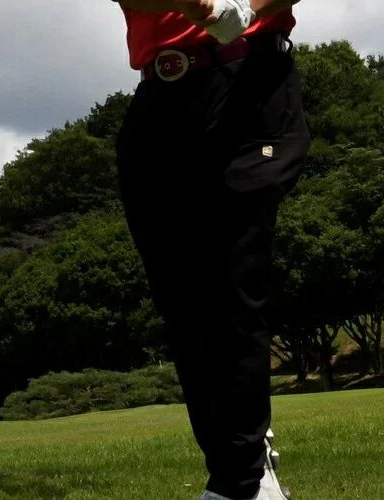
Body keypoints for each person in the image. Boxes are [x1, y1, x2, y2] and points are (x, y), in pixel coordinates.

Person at [112, 0, 311, 498]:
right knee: (184, 307)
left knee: (231, 288)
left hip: (248, 84)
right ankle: (243, 471)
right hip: (159, 100)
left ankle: (239, 483)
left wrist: (242, 7)